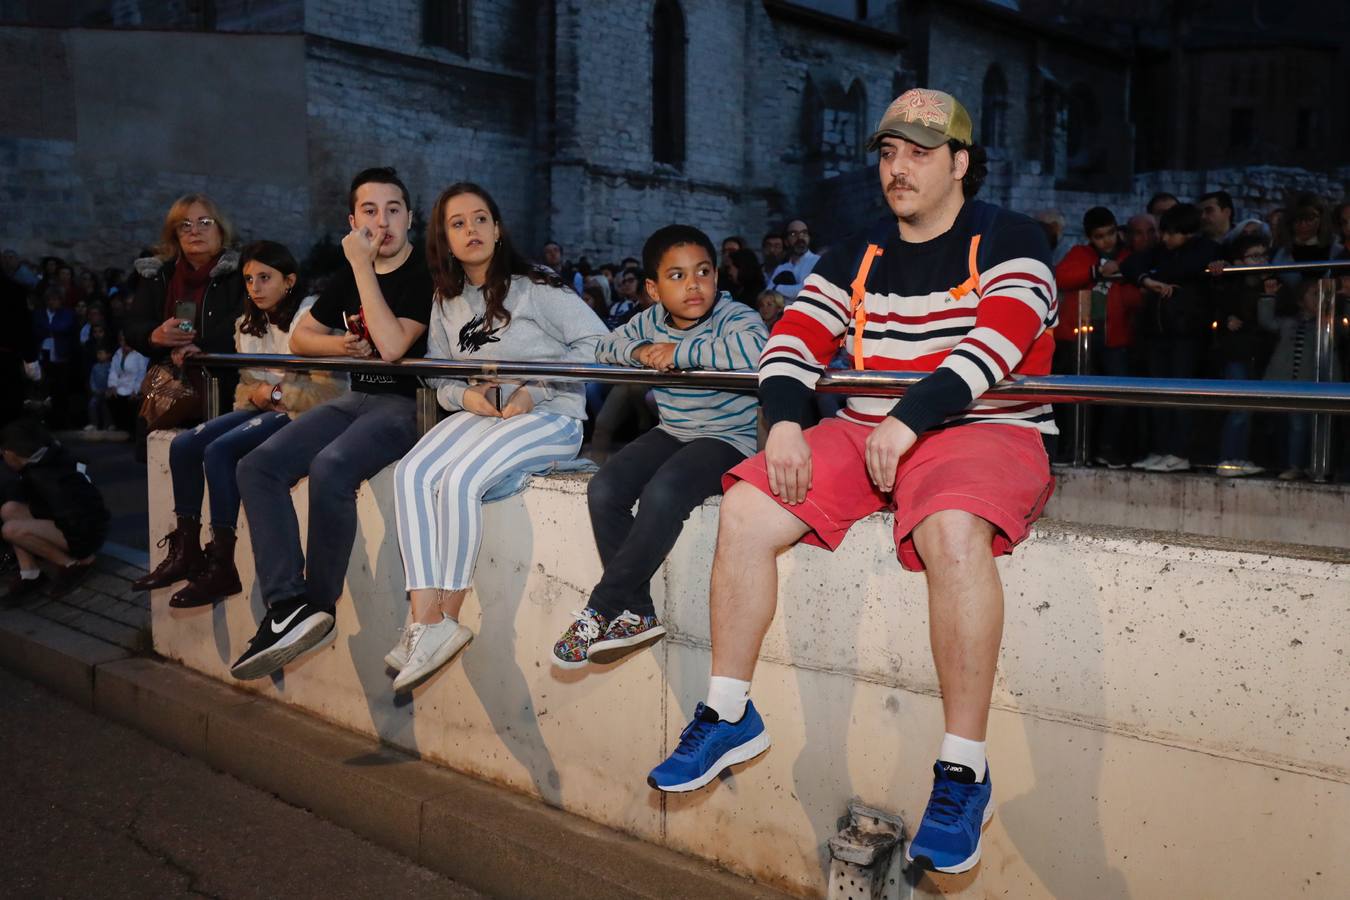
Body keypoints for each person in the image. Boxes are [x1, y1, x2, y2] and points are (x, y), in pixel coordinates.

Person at [647, 88, 1058, 877]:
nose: (898, 169)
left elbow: (998, 343)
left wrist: (912, 416)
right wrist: (790, 420)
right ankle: (729, 710)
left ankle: (964, 769)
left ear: (960, 163)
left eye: (921, 153)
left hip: (980, 427)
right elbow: (795, 340)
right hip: (869, 428)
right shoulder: (853, 252)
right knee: (746, 502)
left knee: (951, 530)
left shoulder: (1011, 238)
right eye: (888, 152)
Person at [388, 182, 607, 692]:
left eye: (480, 218)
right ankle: (424, 620)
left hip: (553, 418)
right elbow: (439, 376)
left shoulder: (537, 285)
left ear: (498, 227)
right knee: (412, 472)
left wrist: (535, 386)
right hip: (487, 416)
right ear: (444, 238)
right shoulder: (446, 299)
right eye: (458, 223)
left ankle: (450, 613)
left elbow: (599, 341)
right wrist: (467, 397)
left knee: (461, 478)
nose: (472, 231)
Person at [229, 167, 433, 681]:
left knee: (331, 465)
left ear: (410, 217)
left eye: (393, 209)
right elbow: (300, 340)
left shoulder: (423, 273)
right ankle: (286, 608)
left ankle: (318, 605)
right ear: (352, 219)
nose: (382, 221)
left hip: (407, 405)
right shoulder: (349, 275)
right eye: (369, 210)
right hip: (355, 397)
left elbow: (391, 347)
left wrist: (362, 267)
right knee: (257, 466)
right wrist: (338, 345)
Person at [551, 225, 767, 668]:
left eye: (703, 272)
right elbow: (607, 346)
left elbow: (756, 350)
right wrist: (646, 349)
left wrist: (679, 353)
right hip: (674, 430)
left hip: (728, 439)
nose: (693, 285)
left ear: (717, 277)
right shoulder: (648, 321)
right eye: (677, 276)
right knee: (605, 488)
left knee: (665, 492)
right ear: (652, 289)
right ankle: (637, 612)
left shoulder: (735, 315)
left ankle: (603, 607)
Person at [132, 241, 345, 608]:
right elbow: (247, 385)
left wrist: (275, 396)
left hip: (296, 413)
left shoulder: (311, 319)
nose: (255, 287)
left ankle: (223, 560)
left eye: (265, 278)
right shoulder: (247, 322)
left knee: (220, 451)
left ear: (289, 281)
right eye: (249, 280)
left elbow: (330, 393)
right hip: (262, 406)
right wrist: (261, 395)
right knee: (183, 446)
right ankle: (187, 549)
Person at [1121, 203, 1222, 473]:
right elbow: (1131, 263)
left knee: (1180, 396)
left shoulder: (1205, 250)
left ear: (1186, 233)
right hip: (1159, 333)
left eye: (1169, 233)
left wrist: (1155, 277)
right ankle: (1163, 449)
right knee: (1159, 396)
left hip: (1186, 335)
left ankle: (1181, 451)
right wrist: (1147, 279)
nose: (1163, 239)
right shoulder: (1162, 252)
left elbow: (1187, 269)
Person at [1052, 206, 1142, 467]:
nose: (1107, 240)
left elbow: (1136, 298)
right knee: (1074, 398)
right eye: (1100, 236)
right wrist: (1096, 273)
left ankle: (1107, 449)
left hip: (1114, 337)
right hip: (1076, 337)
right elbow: (1061, 277)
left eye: (1110, 233)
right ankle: (1072, 449)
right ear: (1090, 237)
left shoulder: (1128, 258)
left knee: (1116, 397)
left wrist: (1122, 280)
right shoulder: (1080, 254)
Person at [124, 194, 246, 386]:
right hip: (168, 390)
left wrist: (201, 347)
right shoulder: (158, 275)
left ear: (221, 230)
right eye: (185, 225)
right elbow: (133, 326)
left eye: (205, 222)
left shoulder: (240, 273)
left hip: (223, 386)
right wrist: (153, 335)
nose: (194, 231)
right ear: (175, 235)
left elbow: (243, 321)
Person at [1, 418, 109, 601]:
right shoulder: (46, 458)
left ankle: (73, 565)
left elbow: (70, 518)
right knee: (9, 510)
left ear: (12, 454)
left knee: (11, 530)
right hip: (78, 521)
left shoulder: (43, 476)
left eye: (3, 453)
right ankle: (30, 574)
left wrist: (80, 551)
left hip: (84, 534)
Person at [1261, 278, 1346, 480]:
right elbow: (1267, 322)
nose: (1319, 299)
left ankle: (1317, 467)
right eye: (1314, 294)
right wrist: (1268, 296)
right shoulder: (1290, 322)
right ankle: (1295, 464)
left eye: (1322, 294)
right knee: (1295, 425)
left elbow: (1344, 329)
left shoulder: (1331, 324)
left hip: (1319, 384)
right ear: (1300, 301)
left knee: (1320, 425)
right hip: (1292, 384)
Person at [1212, 235, 1278, 477]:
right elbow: (1218, 306)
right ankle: (1229, 458)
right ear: (1240, 260)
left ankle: (1241, 457)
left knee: (1248, 408)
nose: (1260, 261)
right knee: (1239, 407)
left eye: (1263, 255)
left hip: (1259, 354)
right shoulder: (1231, 283)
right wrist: (1226, 320)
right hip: (1237, 352)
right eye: (1254, 256)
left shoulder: (1272, 283)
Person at [106, 330, 148, 434]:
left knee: (133, 403)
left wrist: (136, 390)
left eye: (125, 341)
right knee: (111, 398)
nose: (123, 343)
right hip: (120, 387)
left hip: (133, 387)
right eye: (121, 341)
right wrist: (113, 386)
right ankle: (118, 427)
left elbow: (141, 374)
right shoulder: (118, 353)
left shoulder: (139, 355)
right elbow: (113, 371)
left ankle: (132, 432)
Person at [767, 219, 820, 300]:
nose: (800, 238)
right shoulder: (781, 268)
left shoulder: (818, 261)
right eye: (793, 234)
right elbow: (767, 294)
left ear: (809, 237)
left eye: (804, 233)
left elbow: (806, 290)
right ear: (786, 241)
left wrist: (777, 288)